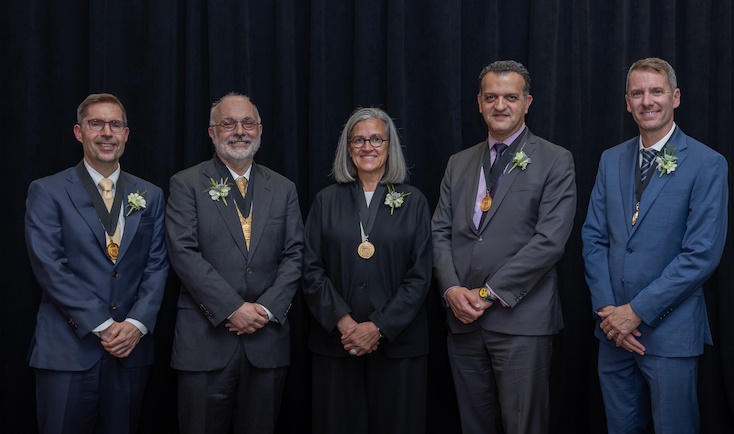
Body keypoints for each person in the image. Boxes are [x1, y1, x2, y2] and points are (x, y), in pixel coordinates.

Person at [582, 57, 728, 434]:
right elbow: (593, 238)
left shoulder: (707, 163)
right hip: (612, 332)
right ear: (627, 102)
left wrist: (637, 311)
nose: (647, 101)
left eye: (656, 91)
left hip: (670, 333)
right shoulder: (610, 159)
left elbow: (702, 255)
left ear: (675, 97)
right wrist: (610, 314)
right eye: (637, 93)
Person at [431, 60, 577, 433]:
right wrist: (451, 290)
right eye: (491, 97)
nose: (500, 106)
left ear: (527, 102)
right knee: (473, 425)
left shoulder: (555, 160)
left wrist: (487, 293)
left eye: (510, 97)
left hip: (521, 321)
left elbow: (550, 242)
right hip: (463, 320)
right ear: (479, 103)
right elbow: (439, 233)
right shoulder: (458, 163)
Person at [24, 93, 169, 434]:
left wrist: (135, 324)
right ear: (79, 132)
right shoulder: (47, 191)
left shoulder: (151, 194)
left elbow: (158, 265)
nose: (107, 132)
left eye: (115, 124)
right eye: (96, 124)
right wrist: (104, 326)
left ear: (126, 134)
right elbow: (50, 267)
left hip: (131, 351)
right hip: (67, 352)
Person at [165, 92, 303, 434]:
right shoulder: (186, 183)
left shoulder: (284, 188)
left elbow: (295, 254)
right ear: (212, 133)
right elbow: (183, 251)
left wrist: (265, 310)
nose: (239, 131)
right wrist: (232, 308)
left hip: (266, 341)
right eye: (228, 124)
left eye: (248, 123)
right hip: (204, 343)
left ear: (260, 130)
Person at [302, 107, 432, 434]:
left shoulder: (413, 201)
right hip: (337, 343)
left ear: (389, 146)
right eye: (358, 140)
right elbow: (311, 269)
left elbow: (420, 276)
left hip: (398, 344)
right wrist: (344, 323)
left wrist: (378, 326)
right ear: (347, 148)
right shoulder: (326, 200)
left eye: (376, 138)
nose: (367, 147)